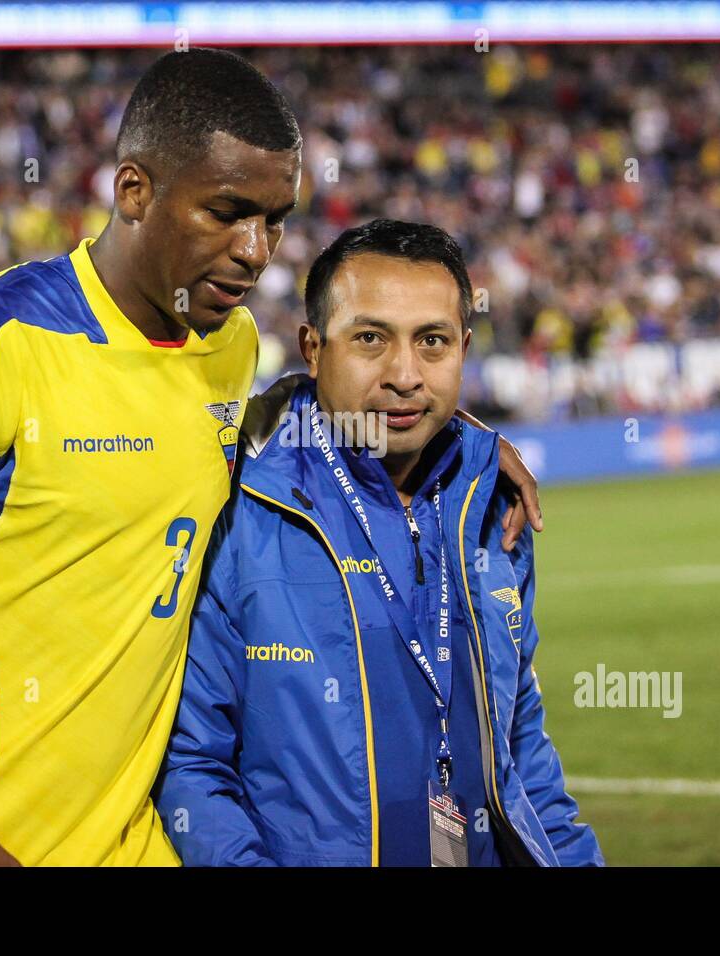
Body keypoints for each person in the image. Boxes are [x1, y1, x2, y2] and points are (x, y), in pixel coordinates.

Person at [0, 51, 541, 866]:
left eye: (275, 218)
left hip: (126, 843)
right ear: (134, 192)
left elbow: (305, 404)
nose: (257, 250)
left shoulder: (229, 342)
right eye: (226, 212)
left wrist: (454, 437)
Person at [154, 219, 603, 866]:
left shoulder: (491, 507)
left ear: (464, 349)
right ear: (313, 348)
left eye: (433, 343)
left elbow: (520, 752)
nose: (404, 374)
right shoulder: (231, 507)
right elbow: (191, 766)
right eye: (370, 339)